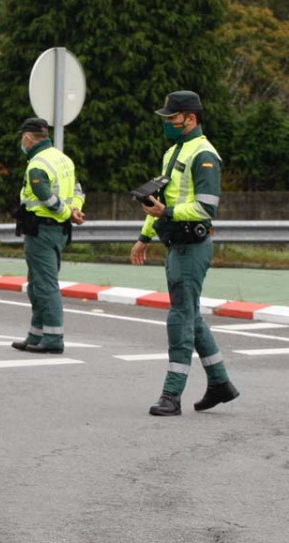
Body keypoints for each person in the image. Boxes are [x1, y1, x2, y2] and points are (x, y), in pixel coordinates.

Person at [131, 91, 239, 417]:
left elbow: (207, 208)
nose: (167, 123)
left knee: (180, 316)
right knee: (190, 315)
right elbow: (159, 202)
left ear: (190, 118)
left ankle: (171, 395)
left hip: (192, 245)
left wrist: (167, 212)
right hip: (175, 243)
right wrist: (144, 236)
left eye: (171, 118)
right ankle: (220, 384)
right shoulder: (172, 152)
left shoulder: (204, 154)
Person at [11, 118, 86, 355]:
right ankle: (36, 334)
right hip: (57, 231)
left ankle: (53, 337)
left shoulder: (38, 164)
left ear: (29, 138)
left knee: (45, 285)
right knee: (37, 283)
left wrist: (66, 213)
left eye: (23, 137)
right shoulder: (62, 159)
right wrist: (75, 209)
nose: (22, 142)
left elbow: (44, 195)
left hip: (42, 230)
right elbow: (77, 189)